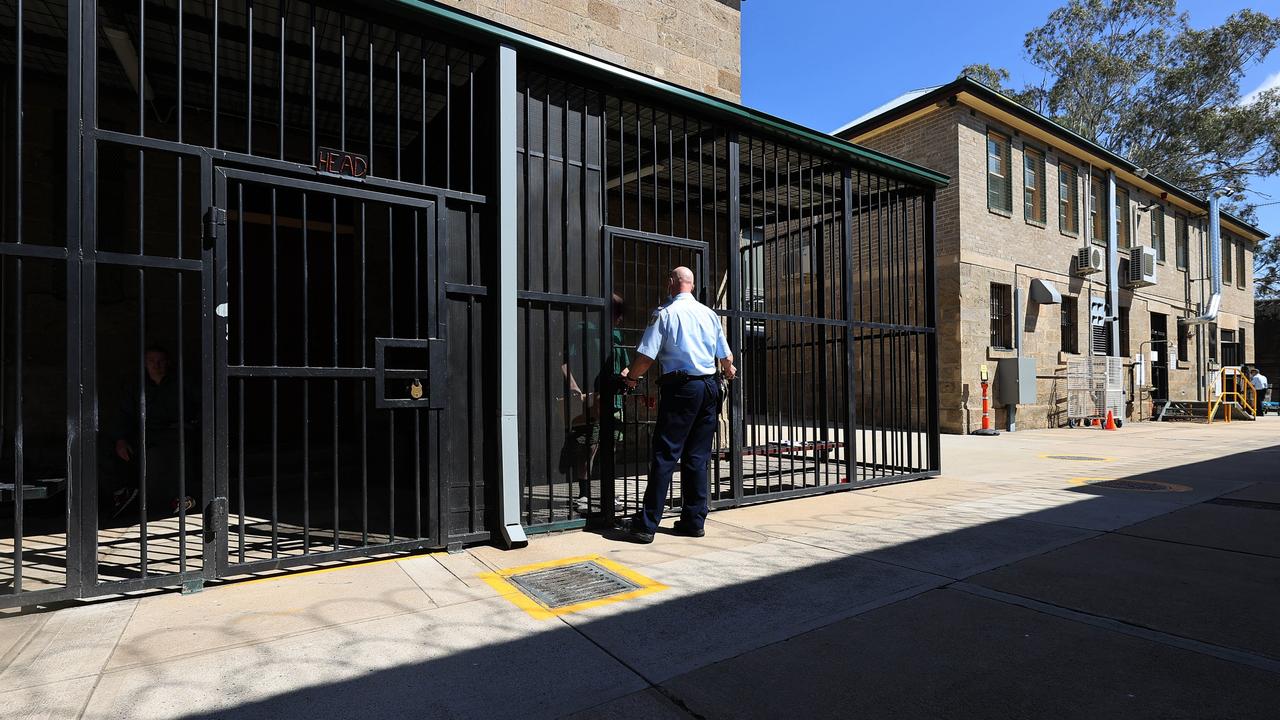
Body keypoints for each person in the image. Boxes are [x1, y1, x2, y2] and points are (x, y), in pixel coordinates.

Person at [615, 267, 736, 544]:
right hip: (709, 388)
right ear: (691, 285)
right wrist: (729, 371)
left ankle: (646, 525)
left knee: (666, 454)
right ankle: (694, 521)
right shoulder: (709, 314)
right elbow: (725, 356)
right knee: (697, 456)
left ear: (671, 282)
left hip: (681, 389)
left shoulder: (666, 313)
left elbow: (646, 355)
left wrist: (631, 378)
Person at [110, 345, 200, 518]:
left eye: (160, 361)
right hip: (147, 433)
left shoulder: (182, 382)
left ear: (168, 362)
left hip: (178, 431)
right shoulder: (136, 386)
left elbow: (201, 405)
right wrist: (120, 439)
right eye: (151, 361)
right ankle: (128, 496)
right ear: (145, 363)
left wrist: (194, 425)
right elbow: (124, 414)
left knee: (178, 453)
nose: (156, 365)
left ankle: (182, 499)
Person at [561, 294, 630, 514]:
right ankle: (584, 493)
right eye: (618, 314)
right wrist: (574, 387)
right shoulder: (582, 330)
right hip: (589, 399)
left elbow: (625, 365)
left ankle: (607, 492)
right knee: (588, 446)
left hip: (614, 400)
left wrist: (628, 378)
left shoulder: (617, 334)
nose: (620, 320)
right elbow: (564, 360)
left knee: (612, 446)